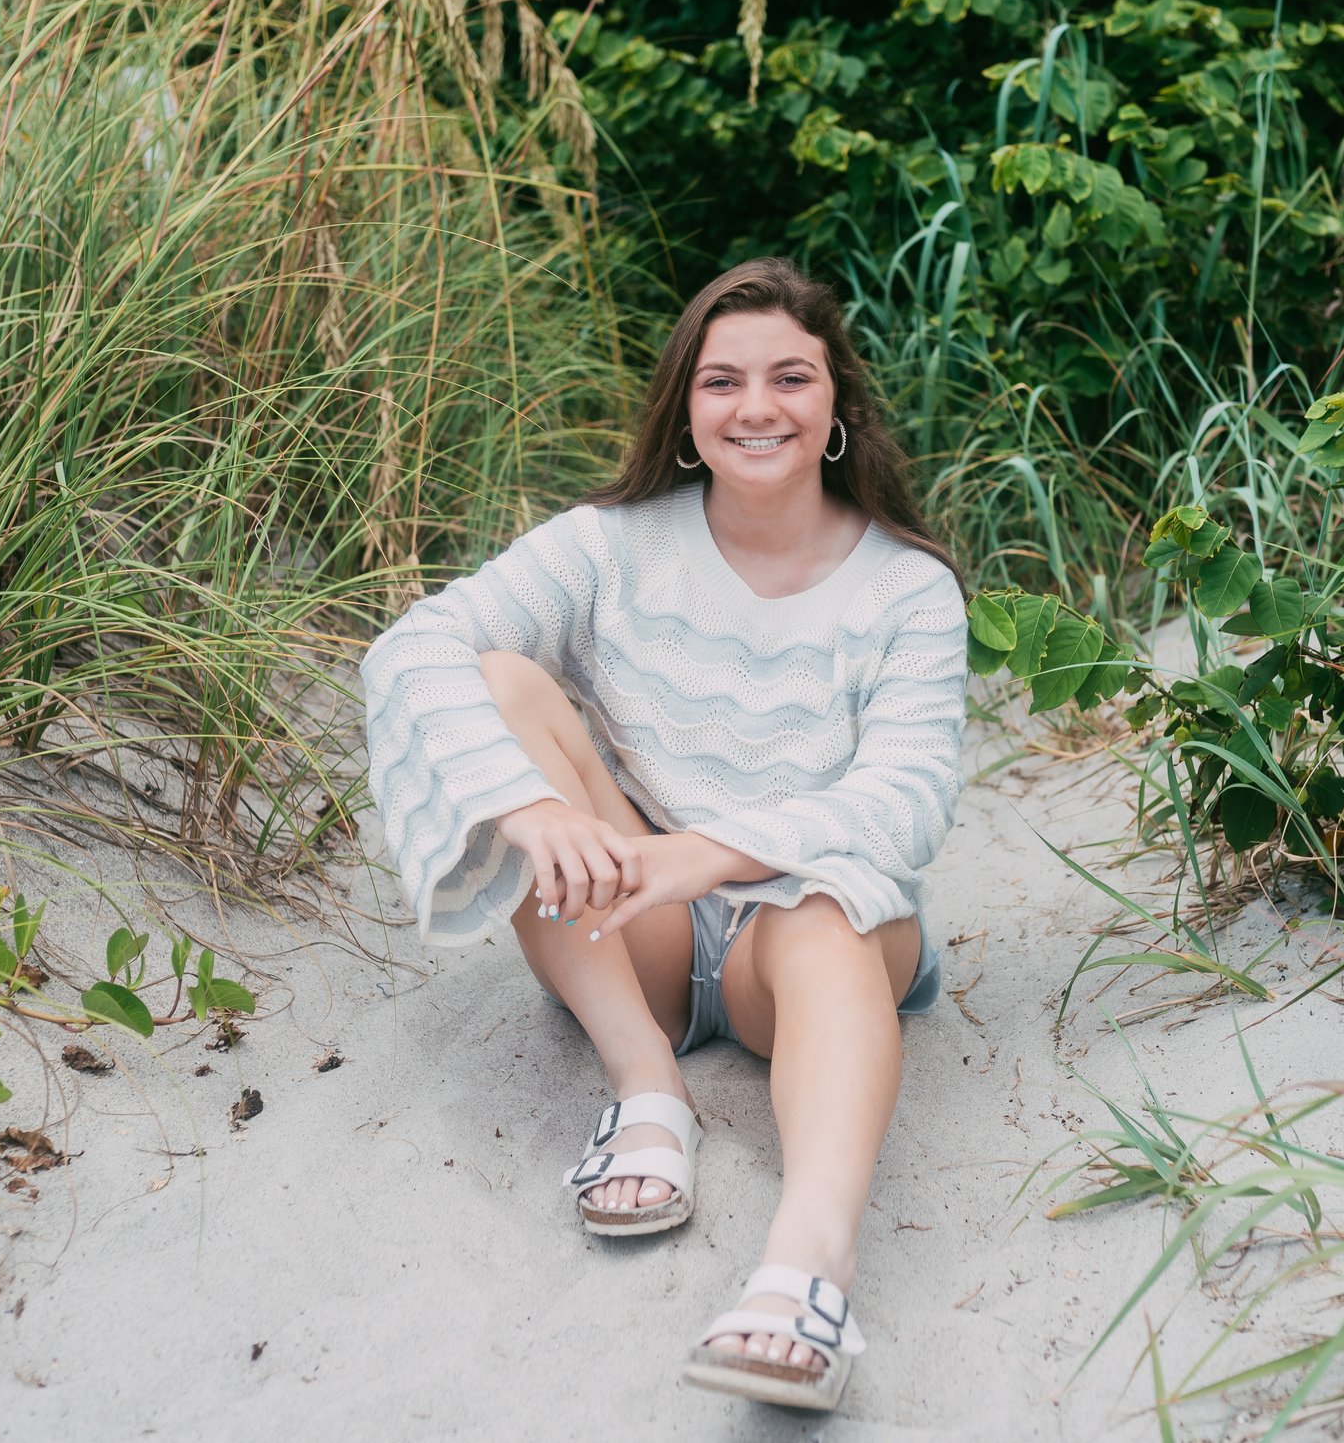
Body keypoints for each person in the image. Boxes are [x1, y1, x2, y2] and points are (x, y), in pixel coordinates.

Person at [359, 256, 966, 1412]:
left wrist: (714, 849)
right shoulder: (607, 545)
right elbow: (412, 649)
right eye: (723, 380)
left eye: (790, 378)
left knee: (832, 903)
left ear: (836, 402)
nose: (756, 407)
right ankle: (648, 1090)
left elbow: (909, 799)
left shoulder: (907, 589)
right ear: (685, 407)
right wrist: (534, 806)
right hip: (636, 920)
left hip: (795, 946)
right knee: (495, 673)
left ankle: (805, 1271)